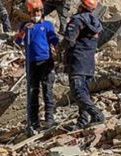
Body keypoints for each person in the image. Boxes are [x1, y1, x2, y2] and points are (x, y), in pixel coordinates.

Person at [15, 0, 60, 136]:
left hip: (45, 62)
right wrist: (23, 31)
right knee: (33, 92)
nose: (36, 14)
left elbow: (55, 41)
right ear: (30, 13)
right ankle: (33, 122)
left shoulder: (47, 25)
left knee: (47, 90)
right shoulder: (25, 26)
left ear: (42, 12)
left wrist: (60, 51)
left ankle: (49, 120)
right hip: (31, 63)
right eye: (34, 12)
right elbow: (17, 41)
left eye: (38, 12)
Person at [59, 0, 104, 131]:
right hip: (89, 64)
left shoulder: (77, 20)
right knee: (84, 93)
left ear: (81, 6)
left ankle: (97, 115)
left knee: (78, 93)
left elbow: (69, 40)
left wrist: (59, 48)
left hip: (77, 62)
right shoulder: (96, 23)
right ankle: (82, 121)